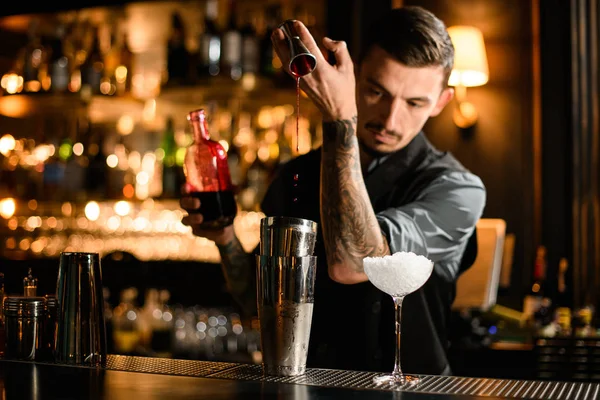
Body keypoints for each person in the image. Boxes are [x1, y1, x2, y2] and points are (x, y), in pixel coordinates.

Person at [181, 6, 486, 376]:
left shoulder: (457, 189)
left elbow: (355, 264)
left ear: (441, 102)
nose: (390, 119)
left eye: (414, 103)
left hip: (414, 392)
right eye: (376, 91)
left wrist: (339, 117)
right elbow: (259, 306)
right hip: (311, 388)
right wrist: (225, 238)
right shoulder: (299, 173)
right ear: (354, 77)